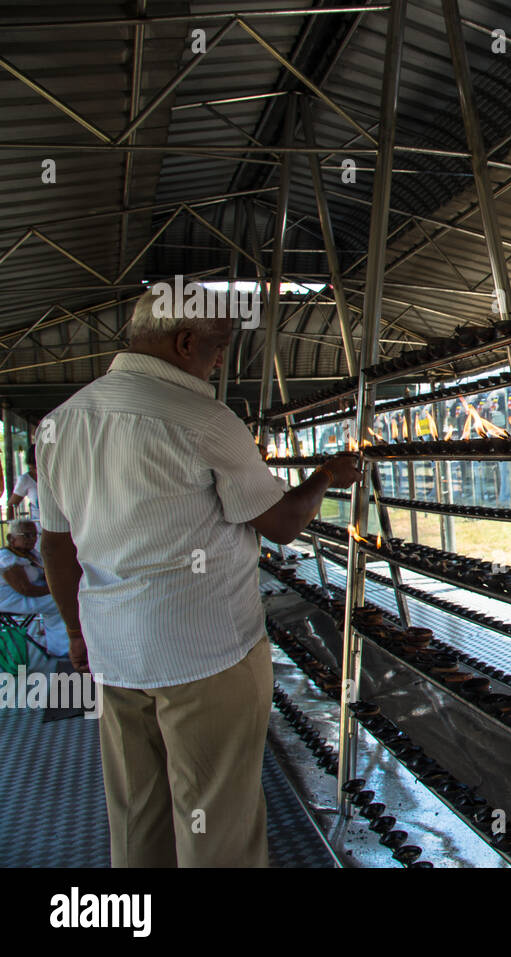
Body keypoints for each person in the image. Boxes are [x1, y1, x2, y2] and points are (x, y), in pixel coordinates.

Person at [38, 285, 363, 868]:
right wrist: (326, 476)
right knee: (215, 817)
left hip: (114, 651)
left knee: (138, 812)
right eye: (219, 347)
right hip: (207, 654)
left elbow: (56, 546)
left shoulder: (61, 424)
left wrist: (77, 632)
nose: (219, 362)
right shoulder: (204, 419)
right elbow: (284, 524)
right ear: (185, 341)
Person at [0, 518, 68, 657]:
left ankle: (61, 646)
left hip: (28, 592)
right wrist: (57, 590)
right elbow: (25, 589)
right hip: (10, 598)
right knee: (60, 602)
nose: (33, 539)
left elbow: (46, 575)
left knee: (66, 597)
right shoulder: (6, 557)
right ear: (11, 538)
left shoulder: (31, 554)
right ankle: (61, 650)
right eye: (27, 535)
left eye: (35, 535)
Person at [7, 447, 39, 524]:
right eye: (34, 467)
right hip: (39, 528)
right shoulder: (25, 479)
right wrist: (12, 528)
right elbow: (12, 505)